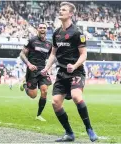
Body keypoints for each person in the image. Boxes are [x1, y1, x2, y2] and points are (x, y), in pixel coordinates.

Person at [41, 2, 98, 142]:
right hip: (61, 72)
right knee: (55, 102)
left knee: (76, 96)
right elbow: (53, 54)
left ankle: (89, 128)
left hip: (76, 72)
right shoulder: (56, 33)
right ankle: (69, 133)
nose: (60, 11)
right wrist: (46, 68)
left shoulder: (77, 33)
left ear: (71, 13)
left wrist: (75, 65)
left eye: (64, 9)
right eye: (60, 9)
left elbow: (84, 54)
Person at [19, 23, 52, 121]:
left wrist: (48, 68)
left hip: (43, 70)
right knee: (33, 95)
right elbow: (22, 54)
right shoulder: (31, 41)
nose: (42, 29)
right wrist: (29, 64)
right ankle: (25, 85)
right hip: (32, 70)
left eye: (44, 28)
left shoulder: (49, 44)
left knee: (44, 91)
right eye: (41, 27)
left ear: (46, 30)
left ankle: (38, 115)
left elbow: (52, 57)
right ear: (37, 29)